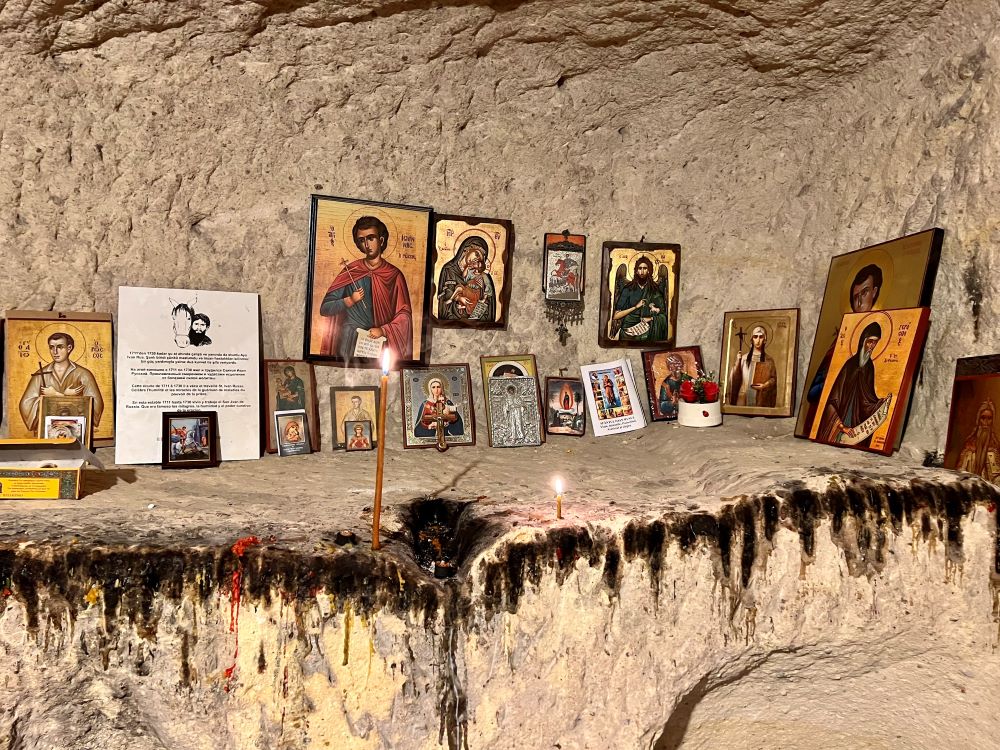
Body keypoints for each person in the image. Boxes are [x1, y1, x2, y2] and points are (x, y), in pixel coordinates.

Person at [318, 216, 413, 360]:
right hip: (348, 341)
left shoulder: (394, 275)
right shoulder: (351, 271)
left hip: (378, 343)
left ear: (381, 240)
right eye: (362, 240)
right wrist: (349, 300)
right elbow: (325, 308)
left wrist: (383, 330)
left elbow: (404, 315)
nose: (367, 245)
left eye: (371, 238)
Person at [805, 264, 883, 426]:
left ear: (875, 292)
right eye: (855, 297)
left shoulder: (878, 332)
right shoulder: (842, 336)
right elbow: (814, 392)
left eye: (865, 292)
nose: (859, 302)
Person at [816, 321, 890, 447]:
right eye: (870, 341)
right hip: (842, 415)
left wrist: (879, 404)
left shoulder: (869, 367)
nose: (872, 346)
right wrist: (841, 425)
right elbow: (834, 397)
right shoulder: (849, 365)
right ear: (863, 341)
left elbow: (868, 398)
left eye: (875, 342)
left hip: (857, 419)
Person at [19, 332, 105, 434]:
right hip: (48, 429)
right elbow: (26, 404)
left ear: (69, 348)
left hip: (76, 429)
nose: (55, 351)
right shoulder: (41, 374)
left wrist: (57, 395)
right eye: (51, 347)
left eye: (60, 347)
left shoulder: (83, 374)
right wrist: (64, 397)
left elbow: (96, 404)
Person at [436, 236, 497, 322]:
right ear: (467, 249)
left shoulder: (482, 275)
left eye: (480, 259)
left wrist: (482, 288)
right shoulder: (449, 269)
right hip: (453, 318)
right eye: (477, 254)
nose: (477, 259)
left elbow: (488, 302)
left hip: (474, 318)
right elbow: (444, 294)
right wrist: (459, 298)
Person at [610, 256, 668, 343]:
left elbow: (662, 314)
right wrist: (635, 307)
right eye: (640, 268)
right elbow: (616, 316)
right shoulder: (628, 289)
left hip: (647, 328)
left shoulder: (655, 290)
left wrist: (651, 318)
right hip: (628, 329)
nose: (642, 271)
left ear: (649, 271)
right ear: (636, 271)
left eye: (645, 268)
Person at [728, 326, 777, 407]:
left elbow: (773, 379)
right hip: (743, 397)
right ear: (752, 340)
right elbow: (735, 377)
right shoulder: (743, 358)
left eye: (761, 337)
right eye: (755, 337)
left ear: (765, 340)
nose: (758, 340)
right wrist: (738, 361)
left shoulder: (769, 360)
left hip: (760, 398)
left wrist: (765, 385)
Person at [957, 399, 1000, 483]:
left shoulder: (994, 451)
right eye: (983, 418)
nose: (986, 422)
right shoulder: (968, 451)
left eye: (989, 418)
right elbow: (961, 474)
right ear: (978, 419)